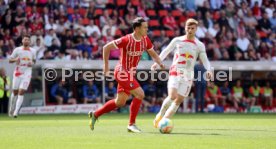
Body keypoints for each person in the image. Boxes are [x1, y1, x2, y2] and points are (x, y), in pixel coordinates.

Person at [88, 17, 165, 133]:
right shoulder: (126, 39)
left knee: (120, 102)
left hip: (130, 73)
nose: (147, 29)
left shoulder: (145, 40)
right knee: (140, 94)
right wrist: (106, 66)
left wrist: (159, 63)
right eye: (145, 27)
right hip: (122, 71)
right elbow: (106, 47)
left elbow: (153, 53)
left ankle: (95, 114)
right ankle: (131, 124)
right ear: (137, 28)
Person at [151, 18, 212, 128]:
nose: (190, 30)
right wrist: (157, 62)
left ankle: (165, 121)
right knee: (172, 95)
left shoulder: (199, 45)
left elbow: (205, 59)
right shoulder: (177, 40)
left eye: (192, 28)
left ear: (196, 29)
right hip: (176, 71)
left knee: (178, 100)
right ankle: (160, 114)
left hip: (188, 75)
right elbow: (166, 51)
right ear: (185, 28)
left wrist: (209, 69)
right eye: (188, 28)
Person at [8, 35, 36, 118]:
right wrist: (15, 60)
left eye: (28, 40)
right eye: (25, 39)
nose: (26, 41)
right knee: (15, 93)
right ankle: (11, 108)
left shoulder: (33, 51)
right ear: (22, 41)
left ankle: (16, 112)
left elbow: (34, 60)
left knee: (21, 92)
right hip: (17, 72)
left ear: (30, 42)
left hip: (27, 73)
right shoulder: (17, 49)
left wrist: (33, 63)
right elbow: (10, 60)